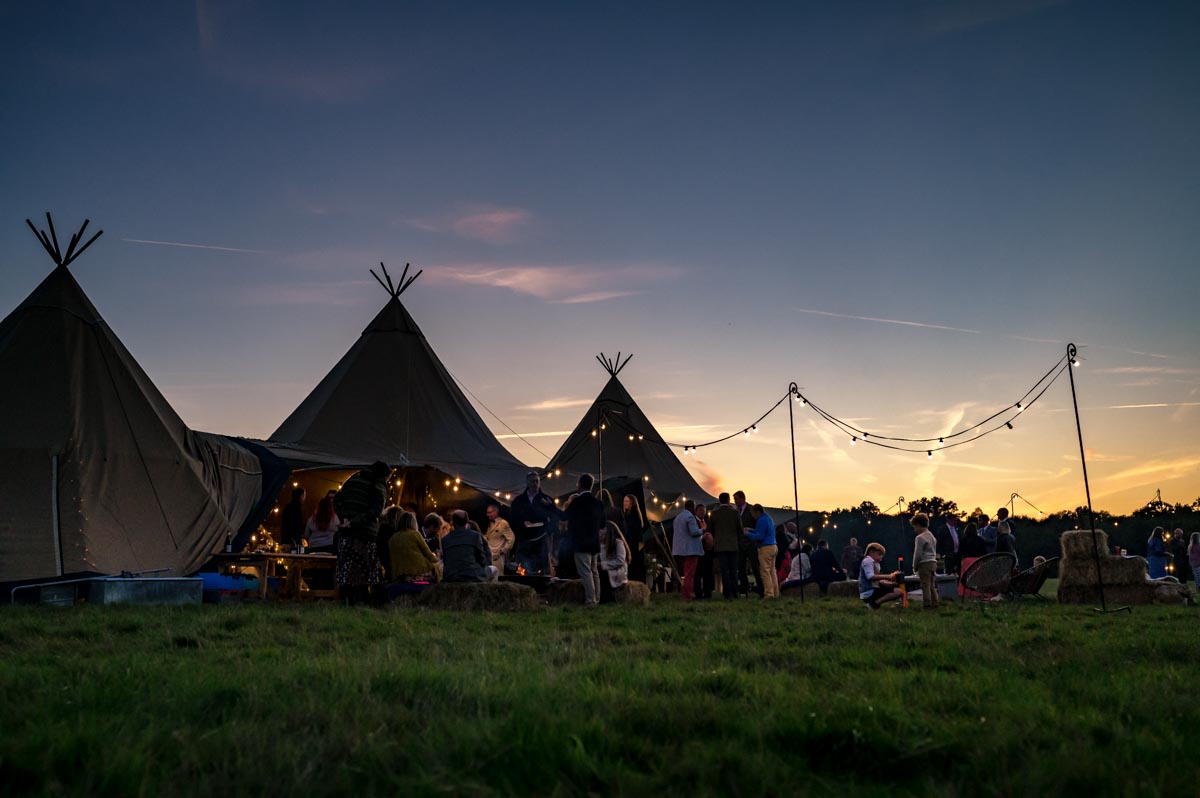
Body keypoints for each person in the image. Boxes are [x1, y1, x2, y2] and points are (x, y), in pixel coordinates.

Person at [332, 461, 390, 605]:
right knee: (364, 569)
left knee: (347, 569)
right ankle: (361, 602)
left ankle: (345, 601)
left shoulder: (353, 478)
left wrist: (343, 517)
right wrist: (354, 521)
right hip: (364, 534)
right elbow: (376, 510)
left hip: (346, 534)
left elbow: (337, 499)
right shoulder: (378, 484)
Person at [565, 474, 605, 605]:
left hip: (581, 543)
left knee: (586, 572)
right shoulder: (598, 503)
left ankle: (590, 600)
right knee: (594, 571)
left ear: (579, 485)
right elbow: (603, 524)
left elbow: (564, 516)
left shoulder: (576, 502)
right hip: (594, 543)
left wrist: (549, 507)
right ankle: (597, 598)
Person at [509, 472, 557, 574]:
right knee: (522, 569)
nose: (535, 484)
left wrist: (547, 530)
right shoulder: (519, 501)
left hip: (541, 539)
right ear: (527, 482)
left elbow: (554, 519)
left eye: (537, 481)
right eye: (532, 481)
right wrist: (522, 524)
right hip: (524, 540)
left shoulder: (546, 499)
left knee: (542, 569)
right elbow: (513, 519)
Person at [441, 510, 495, 582]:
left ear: (452, 523)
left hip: (451, 576)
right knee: (495, 570)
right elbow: (482, 559)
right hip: (472, 575)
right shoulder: (475, 536)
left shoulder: (445, 539)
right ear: (467, 522)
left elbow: (446, 562)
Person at [389, 510, 440, 582]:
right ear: (413, 523)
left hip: (399, 574)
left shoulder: (392, 538)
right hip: (417, 572)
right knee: (437, 569)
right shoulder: (415, 534)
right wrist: (436, 560)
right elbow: (428, 554)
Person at [708, 492, 742, 600]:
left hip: (720, 546)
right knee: (733, 570)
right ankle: (735, 591)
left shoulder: (714, 514)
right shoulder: (735, 513)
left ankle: (727, 593)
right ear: (728, 500)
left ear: (719, 500)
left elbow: (710, 530)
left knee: (724, 570)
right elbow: (740, 529)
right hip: (733, 545)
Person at [672, 499, 705, 600]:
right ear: (692, 507)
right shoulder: (690, 517)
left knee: (685, 574)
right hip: (690, 550)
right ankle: (688, 595)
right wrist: (703, 529)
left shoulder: (677, 517)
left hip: (680, 550)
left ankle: (685, 593)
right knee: (689, 574)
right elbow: (694, 532)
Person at [746, 504, 779, 599]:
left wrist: (747, 534)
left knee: (764, 572)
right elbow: (760, 531)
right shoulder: (768, 518)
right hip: (773, 546)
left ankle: (769, 594)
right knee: (772, 571)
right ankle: (775, 593)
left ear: (757, 512)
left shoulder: (761, 520)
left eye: (753, 513)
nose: (752, 516)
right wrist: (751, 530)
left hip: (765, 548)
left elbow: (759, 536)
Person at [733, 491, 762, 597]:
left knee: (755, 567)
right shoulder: (736, 511)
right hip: (740, 544)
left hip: (751, 543)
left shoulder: (751, 510)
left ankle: (761, 589)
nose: (735, 502)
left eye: (736, 499)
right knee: (740, 567)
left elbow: (757, 525)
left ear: (742, 499)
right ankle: (743, 590)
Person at [859, 542, 903, 609]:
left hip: (872, 590)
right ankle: (873, 605)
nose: (881, 558)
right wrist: (888, 576)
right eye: (879, 554)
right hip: (869, 592)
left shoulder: (875, 563)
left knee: (897, 589)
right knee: (898, 592)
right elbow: (870, 577)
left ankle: (874, 603)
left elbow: (878, 581)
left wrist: (890, 583)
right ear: (871, 552)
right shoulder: (868, 561)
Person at [911, 513, 939, 609]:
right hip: (933, 562)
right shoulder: (932, 537)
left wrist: (914, 566)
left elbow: (917, 554)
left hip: (924, 563)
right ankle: (935, 603)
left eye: (915, 527)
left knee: (925, 585)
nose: (915, 530)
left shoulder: (920, 538)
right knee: (932, 584)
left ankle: (927, 604)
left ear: (918, 525)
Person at [598, 520, 629, 603]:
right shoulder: (599, 545)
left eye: (602, 529)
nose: (599, 531)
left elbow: (620, 561)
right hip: (605, 569)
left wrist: (603, 565)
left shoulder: (618, 543)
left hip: (617, 571)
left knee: (602, 574)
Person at [622, 494, 647, 582]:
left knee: (634, 565)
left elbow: (635, 531)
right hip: (631, 543)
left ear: (632, 502)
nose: (624, 503)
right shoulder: (628, 514)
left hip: (633, 544)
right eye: (624, 501)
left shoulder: (633, 514)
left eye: (627, 501)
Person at [485, 503, 515, 573]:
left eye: (489, 512)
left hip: (498, 556)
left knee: (498, 576)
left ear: (496, 512)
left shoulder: (503, 523)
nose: (487, 514)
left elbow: (511, 538)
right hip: (489, 555)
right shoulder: (490, 524)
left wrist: (503, 550)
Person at [694, 503, 714, 599]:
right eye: (701, 510)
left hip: (708, 551)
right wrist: (702, 537)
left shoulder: (707, 521)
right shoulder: (693, 522)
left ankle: (707, 593)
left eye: (704, 511)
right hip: (698, 550)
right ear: (696, 511)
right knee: (697, 573)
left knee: (708, 573)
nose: (703, 512)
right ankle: (698, 593)